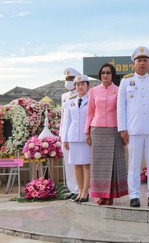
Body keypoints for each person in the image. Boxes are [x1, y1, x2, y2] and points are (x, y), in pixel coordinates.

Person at [117, 46, 149, 208]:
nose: (142, 63)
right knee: (133, 164)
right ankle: (134, 195)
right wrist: (122, 128)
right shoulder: (125, 81)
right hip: (133, 129)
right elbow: (121, 107)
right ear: (134, 63)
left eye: (145, 60)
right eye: (139, 60)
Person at [85, 63, 128, 206]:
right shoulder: (93, 91)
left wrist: (124, 130)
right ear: (100, 75)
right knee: (99, 165)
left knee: (114, 163)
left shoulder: (119, 90)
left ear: (112, 75)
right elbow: (90, 112)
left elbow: (123, 112)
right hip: (97, 130)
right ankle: (100, 194)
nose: (105, 75)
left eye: (108, 72)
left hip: (115, 130)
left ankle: (110, 195)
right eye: (103, 72)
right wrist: (87, 132)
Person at [61, 74, 91, 203]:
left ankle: (85, 192)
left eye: (83, 84)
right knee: (76, 165)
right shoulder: (70, 101)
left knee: (86, 165)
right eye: (78, 85)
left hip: (86, 137)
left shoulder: (91, 99)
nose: (80, 87)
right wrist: (65, 138)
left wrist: (90, 134)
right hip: (73, 136)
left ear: (87, 86)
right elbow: (68, 121)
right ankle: (79, 191)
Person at [60, 67, 80, 200]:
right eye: (67, 79)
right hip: (64, 135)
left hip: (76, 134)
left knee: (78, 163)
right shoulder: (63, 96)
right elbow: (63, 117)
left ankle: (80, 189)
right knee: (68, 163)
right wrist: (61, 134)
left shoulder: (81, 94)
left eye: (71, 79)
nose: (68, 81)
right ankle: (72, 189)